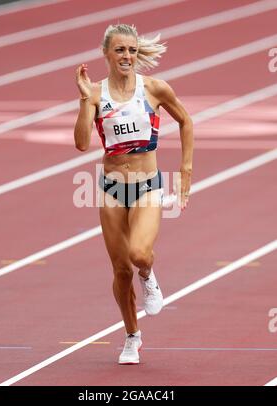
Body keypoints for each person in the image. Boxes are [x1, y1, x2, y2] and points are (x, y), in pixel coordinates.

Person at [74, 24, 193, 365]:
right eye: (120, 50)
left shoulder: (154, 89)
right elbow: (82, 143)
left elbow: (186, 121)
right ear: (106, 54)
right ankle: (132, 335)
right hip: (111, 190)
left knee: (139, 255)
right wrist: (84, 99)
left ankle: (149, 276)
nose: (127, 56)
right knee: (120, 271)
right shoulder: (96, 94)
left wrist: (185, 170)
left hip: (146, 187)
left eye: (131, 50)